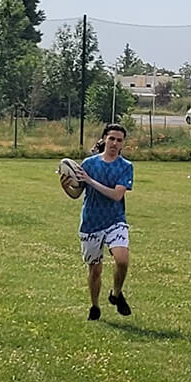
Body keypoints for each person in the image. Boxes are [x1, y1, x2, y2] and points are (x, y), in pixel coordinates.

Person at [59, 124, 134, 321]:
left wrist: (90, 181)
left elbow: (117, 195)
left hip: (115, 220)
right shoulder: (89, 164)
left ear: (122, 144)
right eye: (112, 139)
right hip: (91, 222)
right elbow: (77, 194)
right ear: (104, 140)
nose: (115, 143)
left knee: (122, 260)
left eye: (119, 140)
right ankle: (95, 306)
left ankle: (116, 294)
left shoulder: (126, 166)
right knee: (95, 270)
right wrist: (66, 187)